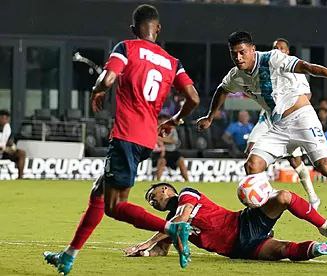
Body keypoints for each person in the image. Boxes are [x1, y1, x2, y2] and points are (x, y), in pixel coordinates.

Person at [43, 5, 200, 274]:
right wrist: (175, 120)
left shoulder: (126, 47)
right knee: (98, 192)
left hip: (126, 135)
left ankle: (172, 227)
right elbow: (194, 98)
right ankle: (68, 256)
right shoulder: (173, 62)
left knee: (115, 208)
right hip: (146, 140)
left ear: (132, 29)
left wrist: (97, 90)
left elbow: (109, 77)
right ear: (158, 29)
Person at [196, 31, 327, 235]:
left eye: (242, 52)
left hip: (302, 118)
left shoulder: (272, 58)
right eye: (234, 54)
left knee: (325, 166)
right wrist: (209, 117)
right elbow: (222, 90)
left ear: (252, 49)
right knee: (252, 165)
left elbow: (306, 67)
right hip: (278, 126)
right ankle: (264, 223)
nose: (238, 58)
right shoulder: (236, 75)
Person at [123, 182, 327, 261]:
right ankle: (318, 249)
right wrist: (144, 253)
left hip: (243, 224)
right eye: (150, 202)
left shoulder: (187, 194)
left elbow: (182, 218)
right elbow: (162, 252)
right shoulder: (169, 226)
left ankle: (325, 226)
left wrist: (146, 241)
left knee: (284, 196)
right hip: (239, 249)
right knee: (284, 250)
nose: (152, 203)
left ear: (165, 190)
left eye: (153, 197)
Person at [245, 37, 320, 209]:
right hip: (267, 118)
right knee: (251, 151)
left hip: (288, 117)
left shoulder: (295, 71)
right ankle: (262, 196)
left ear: (287, 51)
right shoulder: (265, 67)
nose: (277, 49)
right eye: (275, 47)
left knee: (295, 161)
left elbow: (306, 95)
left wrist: (288, 104)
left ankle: (313, 196)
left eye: (281, 47)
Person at [153, 114, 189, 181]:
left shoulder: (172, 129)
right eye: (160, 119)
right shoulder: (155, 128)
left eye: (164, 119)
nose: (162, 121)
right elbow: (154, 139)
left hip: (172, 151)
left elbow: (174, 140)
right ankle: (157, 180)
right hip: (160, 152)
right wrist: (166, 139)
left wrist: (160, 138)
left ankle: (187, 180)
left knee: (181, 160)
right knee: (162, 161)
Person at [0, 110, 26, 179]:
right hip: (2, 150)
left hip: (4, 152)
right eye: (4, 118)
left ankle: (20, 178)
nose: (6, 120)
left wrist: (11, 146)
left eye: (7, 119)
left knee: (21, 153)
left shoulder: (8, 128)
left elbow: (10, 142)